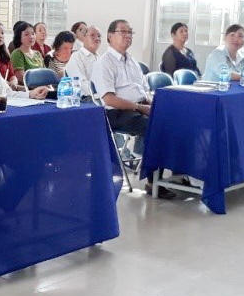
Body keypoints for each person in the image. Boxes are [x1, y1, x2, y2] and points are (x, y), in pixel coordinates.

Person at [92, 19, 173, 199]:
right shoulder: (104, 62)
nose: (127, 35)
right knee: (156, 127)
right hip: (116, 112)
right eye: (123, 31)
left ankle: (178, 175)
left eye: (130, 32)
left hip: (139, 107)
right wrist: (140, 107)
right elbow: (109, 98)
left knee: (176, 121)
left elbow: (144, 91)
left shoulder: (132, 61)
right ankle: (153, 182)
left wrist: (152, 105)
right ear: (110, 36)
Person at [65, 25, 102, 97]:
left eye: (99, 36)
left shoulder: (99, 58)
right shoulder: (77, 57)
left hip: (100, 96)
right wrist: (100, 95)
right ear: (84, 37)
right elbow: (81, 83)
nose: (97, 38)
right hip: (85, 98)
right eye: (92, 35)